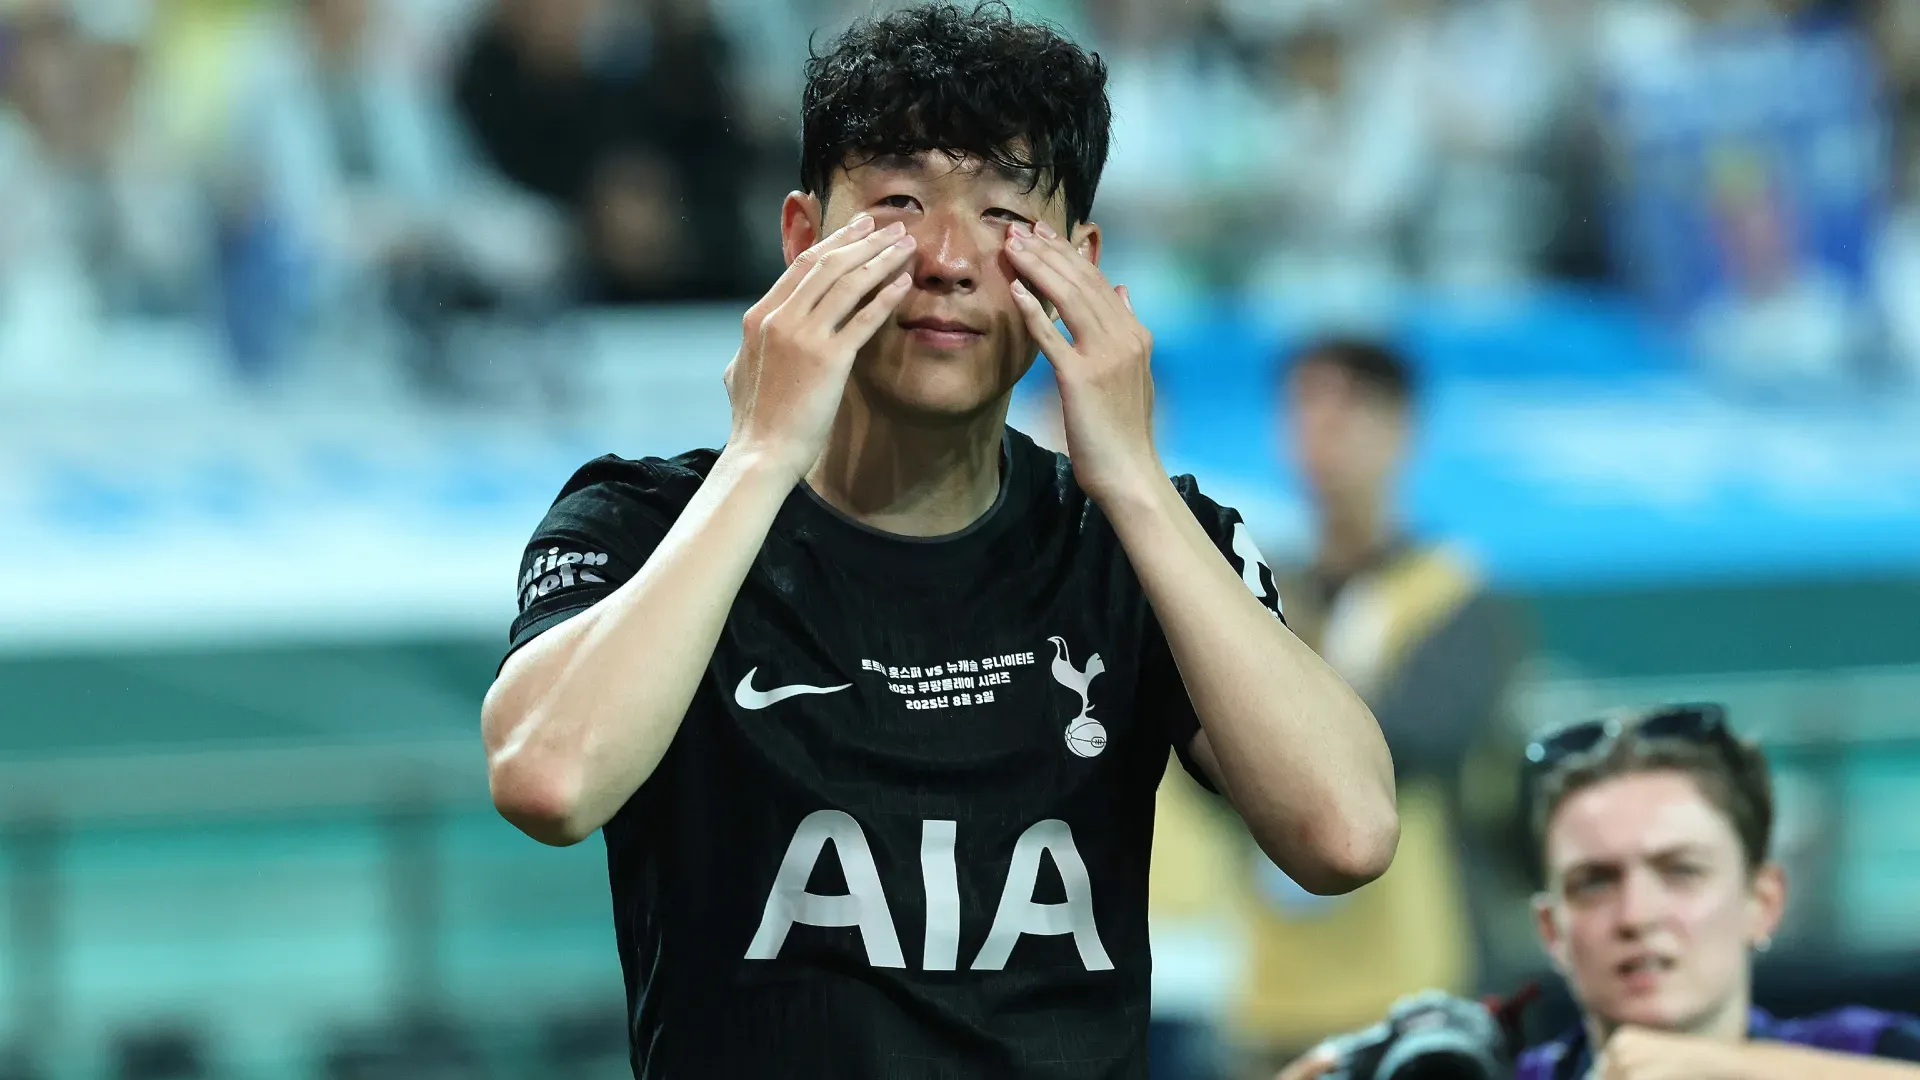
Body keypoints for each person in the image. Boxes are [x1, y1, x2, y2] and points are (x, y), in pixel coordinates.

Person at [478, 4, 1400, 1078]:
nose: (950, 258)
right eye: (901, 202)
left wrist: (1135, 483)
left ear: (1082, 263)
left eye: (1007, 211)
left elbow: (1345, 834)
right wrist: (763, 455)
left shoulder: (1145, 540)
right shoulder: (643, 521)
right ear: (801, 239)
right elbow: (546, 780)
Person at [1155, 338, 1524, 1074]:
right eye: (1304, 405)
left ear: (1403, 428)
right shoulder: (1258, 590)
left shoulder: (1455, 595)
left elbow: (1412, 746)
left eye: (1350, 405)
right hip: (1270, 988)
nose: (1322, 428)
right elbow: (1204, 756)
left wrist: (1266, 743)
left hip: (1418, 974)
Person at [1276, 703, 1920, 1080]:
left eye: (1680, 872)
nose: (1637, 915)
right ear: (1551, 930)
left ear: (1764, 902)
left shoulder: (1856, 1052)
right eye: (1595, 882)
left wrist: (1727, 1066)